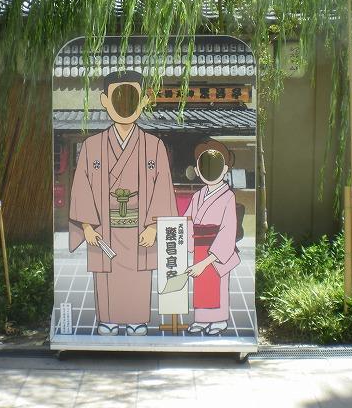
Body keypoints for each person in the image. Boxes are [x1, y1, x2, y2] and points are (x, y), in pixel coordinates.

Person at [69, 70, 177, 336]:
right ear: (105, 101)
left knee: (139, 275)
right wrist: (86, 226)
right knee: (106, 275)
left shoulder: (154, 146)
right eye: (118, 97)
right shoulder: (92, 146)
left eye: (132, 97)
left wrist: (153, 226)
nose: (124, 105)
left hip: (140, 227)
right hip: (103, 227)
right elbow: (81, 187)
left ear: (143, 101)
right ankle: (107, 319)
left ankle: (137, 319)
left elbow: (163, 187)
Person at [184, 139, 240, 336]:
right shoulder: (197, 196)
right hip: (199, 248)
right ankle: (201, 319)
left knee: (217, 284)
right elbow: (187, 221)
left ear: (224, 169)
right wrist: (185, 242)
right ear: (197, 170)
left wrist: (207, 260)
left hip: (216, 251)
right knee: (201, 285)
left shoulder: (228, 197)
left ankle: (219, 319)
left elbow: (228, 231)